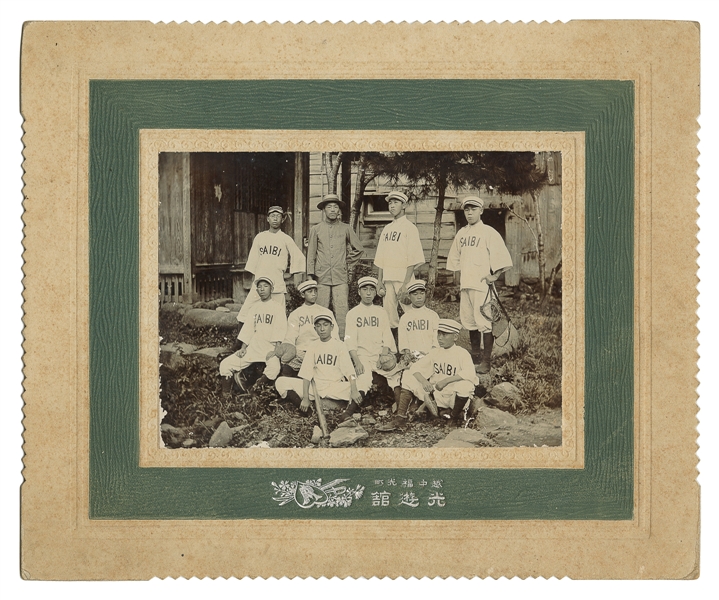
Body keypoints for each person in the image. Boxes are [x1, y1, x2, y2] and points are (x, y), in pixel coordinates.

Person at [446, 196, 513, 374]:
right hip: (466, 285)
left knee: (484, 321)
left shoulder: (488, 232)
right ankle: (475, 356)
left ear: (481, 211)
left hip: (482, 286)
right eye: (466, 209)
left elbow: (502, 257)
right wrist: (458, 280)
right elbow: (454, 259)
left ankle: (486, 361)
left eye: (473, 209)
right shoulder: (461, 233)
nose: (469, 212)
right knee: (469, 321)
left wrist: (495, 275)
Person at [274, 312, 368, 421]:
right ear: (315, 329)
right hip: (316, 388)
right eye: (318, 326)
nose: (322, 329)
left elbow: (349, 372)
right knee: (280, 382)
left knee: (363, 384)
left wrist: (354, 390)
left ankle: (346, 414)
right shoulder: (313, 346)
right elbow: (306, 374)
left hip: (334, 386)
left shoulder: (339, 345)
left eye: (325, 325)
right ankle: (307, 411)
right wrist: (305, 398)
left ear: (332, 327)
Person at [390, 318, 478, 430]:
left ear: (455, 337)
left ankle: (453, 417)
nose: (440, 338)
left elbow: (470, 373)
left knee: (466, 386)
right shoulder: (435, 352)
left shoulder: (462, 353)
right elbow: (416, 368)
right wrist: (424, 381)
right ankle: (400, 417)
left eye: (444, 335)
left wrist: (446, 381)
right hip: (437, 394)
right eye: (439, 334)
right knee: (408, 377)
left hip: (453, 396)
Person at [306, 193, 364, 340]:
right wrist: (310, 276)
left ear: (339, 211)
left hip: (340, 276)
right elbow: (311, 254)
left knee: (342, 311)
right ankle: (319, 343)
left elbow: (359, 249)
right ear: (324, 210)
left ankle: (343, 343)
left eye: (335, 207)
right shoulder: (316, 229)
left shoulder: (345, 228)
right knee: (321, 310)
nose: (332, 210)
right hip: (321, 276)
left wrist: (346, 262)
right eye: (329, 207)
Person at [237, 205, 306, 327]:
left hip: (277, 283)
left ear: (282, 219)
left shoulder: (286, 239)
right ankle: (240, 343)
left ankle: (277, 343)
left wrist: (290, 273)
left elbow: (298, 257)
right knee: (245, 312)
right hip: (260, 282)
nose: (275, 219)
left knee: (278, 316)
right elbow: (253, 260)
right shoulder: (260, 237)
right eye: (272, 216)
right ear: (267, 219)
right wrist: (254, 279)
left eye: (278, 216)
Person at [219, 276, 288, 396]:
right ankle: (226, 396)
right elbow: (248, 329)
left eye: (265, 286)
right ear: (257, 290)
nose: (262, 289)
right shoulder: (254, 308)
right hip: (254, 347)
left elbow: (280, 330)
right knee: (225, 364)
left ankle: (254, 390)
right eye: (259, 287)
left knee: (274, 368)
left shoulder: (278, 308)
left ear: (271, 289)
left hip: (269, 348)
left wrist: (277, 350)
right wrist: (243, 348)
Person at [373, 190, 426, 344]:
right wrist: (379, 280)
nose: (392, 205)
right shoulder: (387, 229)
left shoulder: (410, 228)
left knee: (412, 312)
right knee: (390, 317)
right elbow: (381, 257)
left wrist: (405, 284)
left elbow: (412, 257)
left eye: (396, 202)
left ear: (404, 205)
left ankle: (418, 346)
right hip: (388, 279)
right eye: (390, 202)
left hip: (404, 279)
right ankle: (394, 349)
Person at [344, 276, 397, 412]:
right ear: (359, 292)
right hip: (362, 355)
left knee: (394, 376)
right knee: (363, 380)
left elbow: (387, 335)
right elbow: (350, 341)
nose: (368, 293)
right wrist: (357, 361)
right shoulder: (352, 313)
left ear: (375, 292)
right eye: (365, 289)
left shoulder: (381, 311)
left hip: (380, 354)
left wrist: (383, 355)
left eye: (371, 290)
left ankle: (400, 409)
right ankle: (348, 413)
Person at [280, 279, 340, 377]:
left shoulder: (325, 312)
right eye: (310, 291)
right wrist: (290, 350)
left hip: (321, 351)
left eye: (315, 291)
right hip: (301, 352)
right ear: (303, 295)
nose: (313, 294)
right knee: (287, 368)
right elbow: (290, 336)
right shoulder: (296, 314)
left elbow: (334, 334)